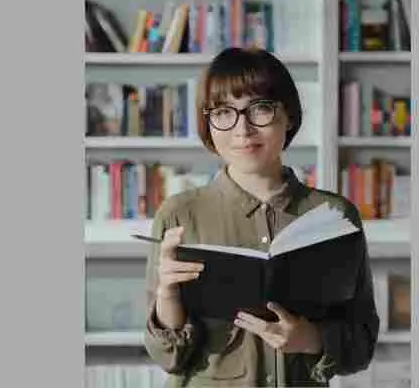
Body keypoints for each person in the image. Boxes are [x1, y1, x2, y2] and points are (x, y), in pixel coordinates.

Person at [143, 47, 380, 387]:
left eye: (261, 108)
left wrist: (310, 338)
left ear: (289, 117)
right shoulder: (179, 214)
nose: (243, 128)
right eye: (224, 112)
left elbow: (362, 344)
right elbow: (166, 356)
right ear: (208, 124)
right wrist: (167, 295)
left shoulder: (336, 217)